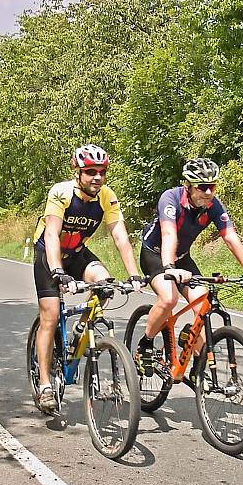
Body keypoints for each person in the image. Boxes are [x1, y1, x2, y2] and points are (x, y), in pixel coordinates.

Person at [32, 144, 143, 412]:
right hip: (50, 254)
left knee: (105, 286)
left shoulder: (107, 196)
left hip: (79, 253)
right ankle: (46, 384)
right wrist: (58, 272)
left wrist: (134, 274)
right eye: (90, 172)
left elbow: (120, 237)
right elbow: (51, 235)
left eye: (101, 172)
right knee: (50, 316)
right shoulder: (61, 193)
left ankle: (81, 329)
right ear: (78, 172)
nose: (97, 177)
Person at [136, 157, 243, 376]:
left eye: (212, 187)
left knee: (202, 305)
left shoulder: (214, 205)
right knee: (169, 299)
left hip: (183, 258)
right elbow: (169, 234)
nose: (208, 192)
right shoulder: (170, 198)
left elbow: (231, 238)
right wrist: (169, 267)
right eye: (202, 187)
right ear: (187, 186)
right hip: (156, 255)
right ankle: (145, 344)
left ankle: (196, 357)